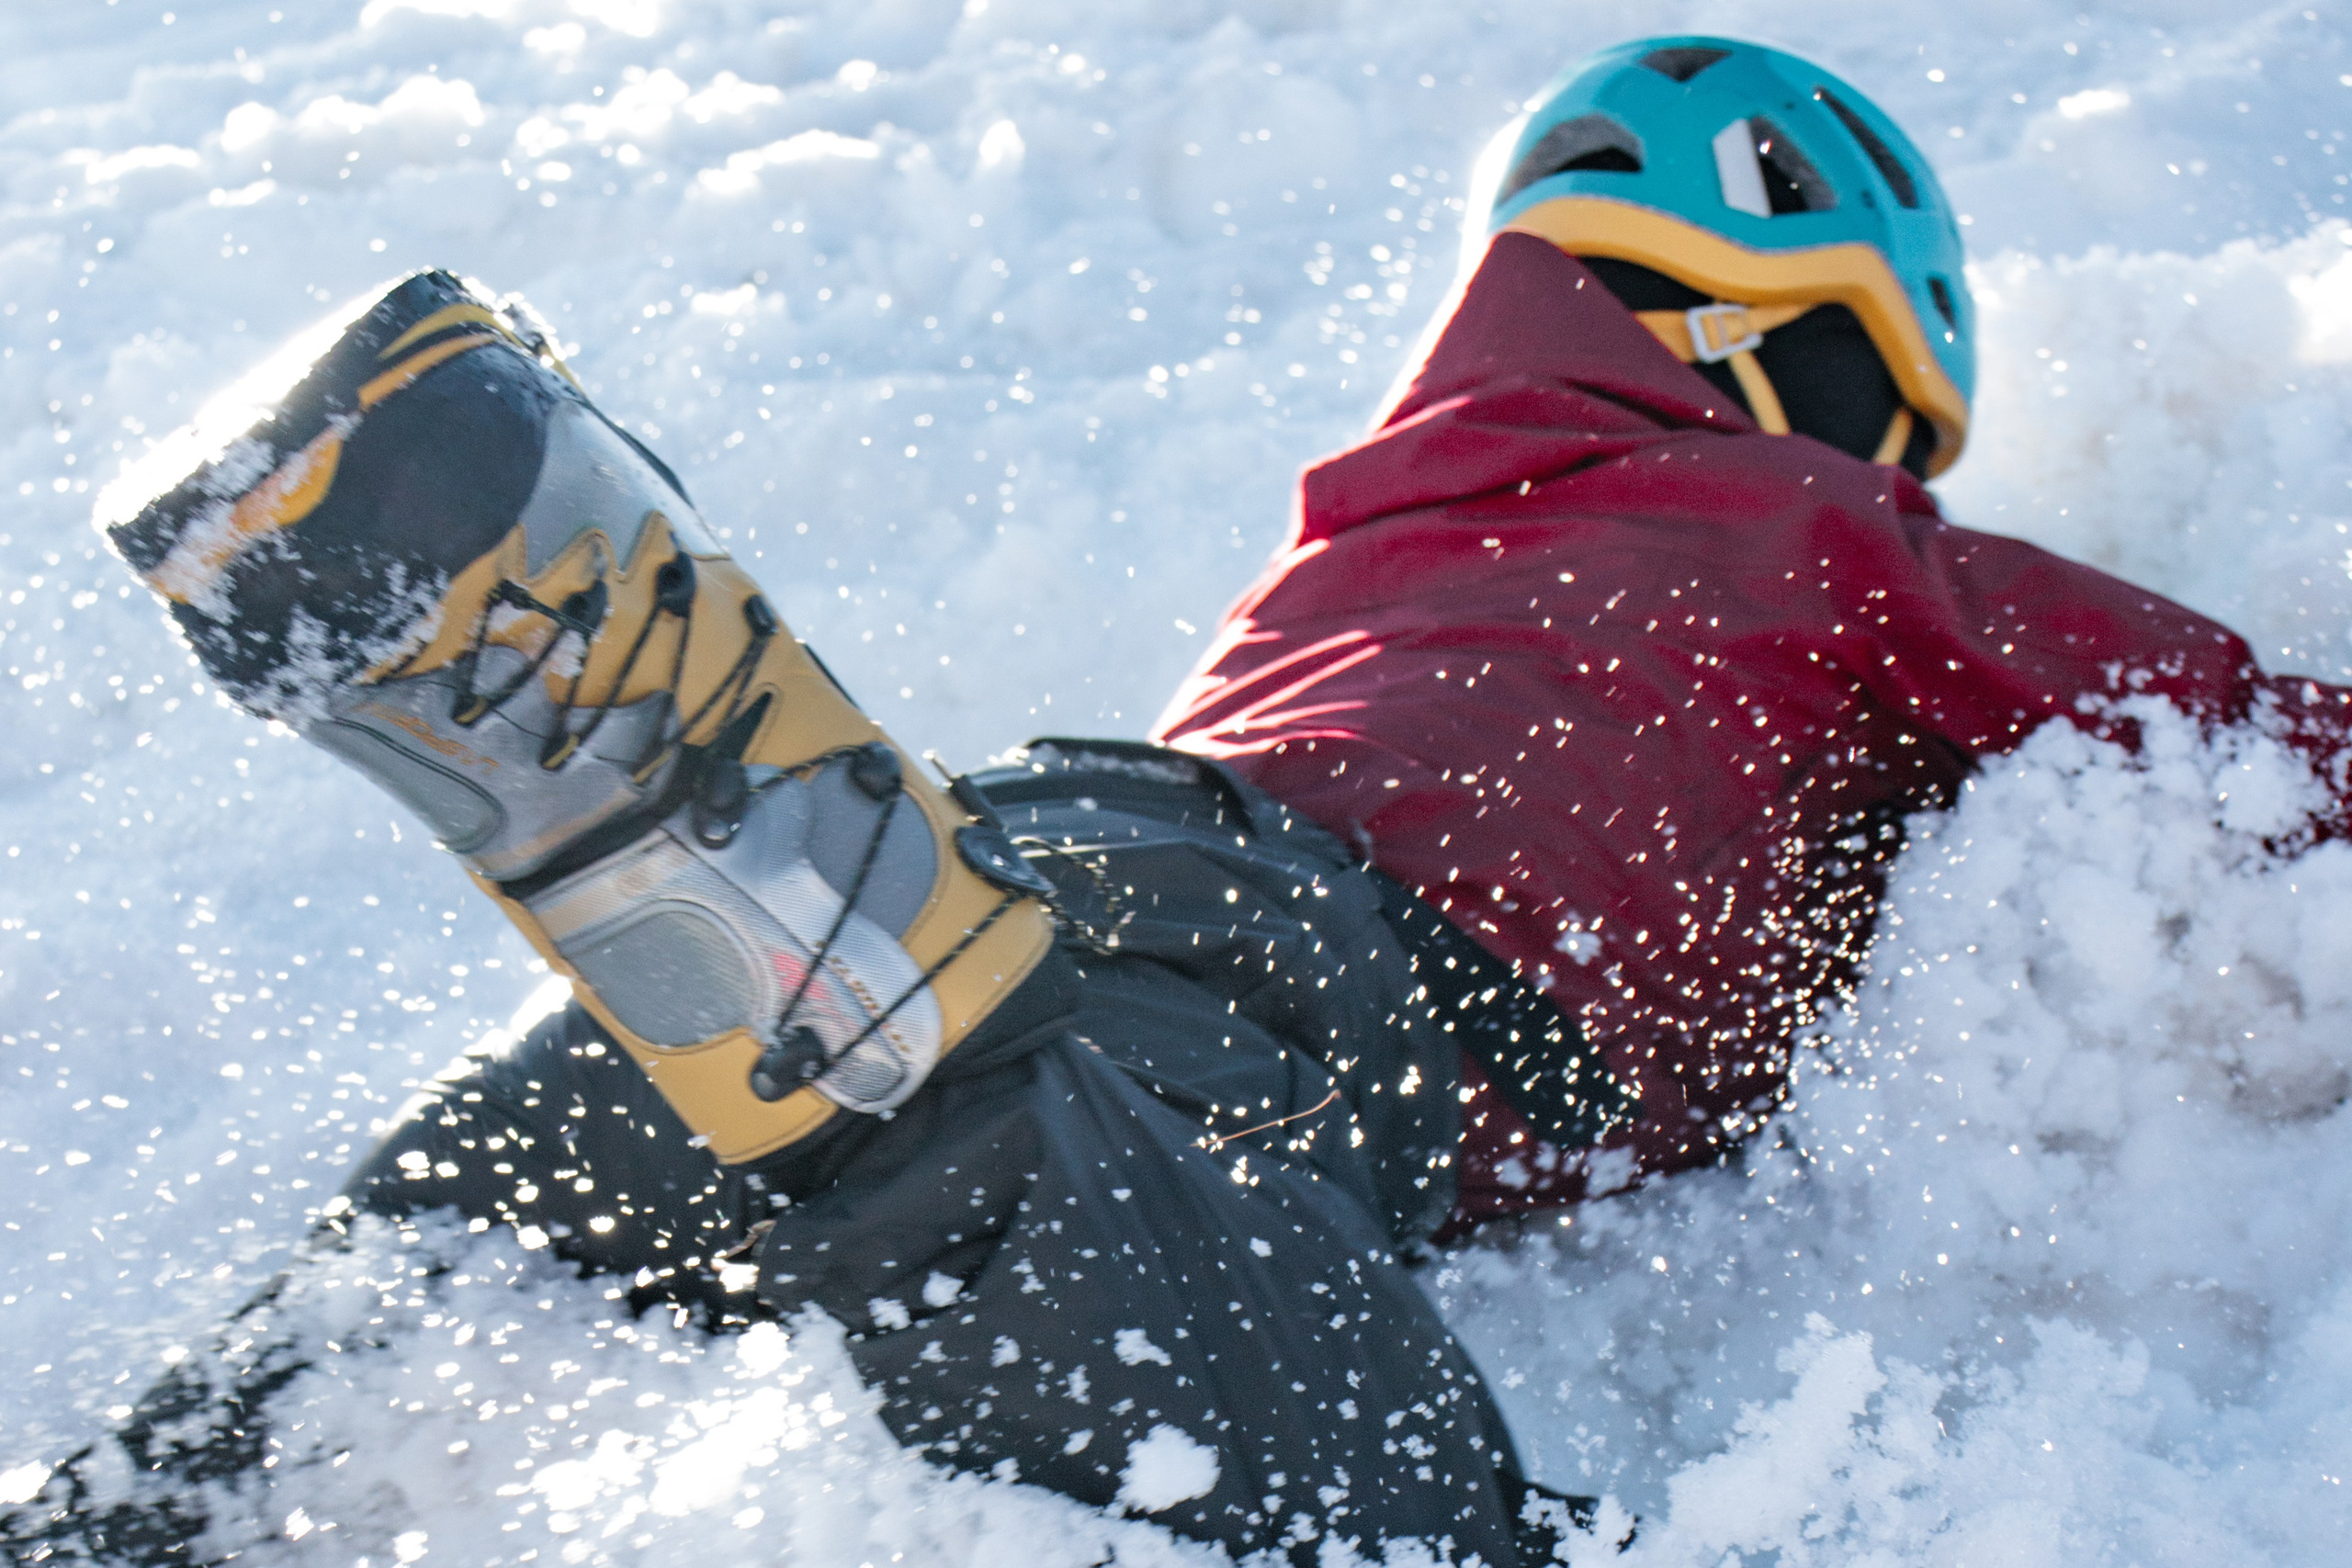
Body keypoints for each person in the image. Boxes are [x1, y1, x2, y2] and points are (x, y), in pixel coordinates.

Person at [11, 32, 2349, 1568]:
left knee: (500, 1226)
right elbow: (2233, 734)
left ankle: (160, 1478)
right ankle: (828, 957)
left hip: (1049, 840)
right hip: (1341, 955)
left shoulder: (1353, 536)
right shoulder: (1815, 535)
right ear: (1818, 346)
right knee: (1183, 1328)